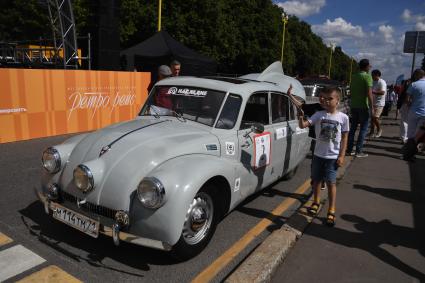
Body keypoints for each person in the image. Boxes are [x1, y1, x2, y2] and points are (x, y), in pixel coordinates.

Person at [298, 86, 349, 226]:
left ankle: (331, 209)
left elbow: (345, 138)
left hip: (332, 157)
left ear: (338, 100)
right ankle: (316, 202)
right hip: (318, 155)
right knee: (316, 180)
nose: (326, 101)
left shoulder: (343, 118)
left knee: (331, 183)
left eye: (330, 99)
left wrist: (342, 155)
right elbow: (303, 125)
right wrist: (300, 116)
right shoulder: (319, 114)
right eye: (324, 99)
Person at [346, 59, 374, 157]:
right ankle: (359, 151)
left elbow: (351, 92)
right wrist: (372, 107)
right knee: (363, 129)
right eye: (369, 66)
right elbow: (369, 94)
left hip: (354, 105)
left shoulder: (353, 76)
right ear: (366, 66)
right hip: (363, 106)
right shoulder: (367, 77)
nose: (370, 67)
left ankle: (349, 149)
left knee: (353, 128)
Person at [406, 69, 425, 140]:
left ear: (418, 75)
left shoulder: (413, 84)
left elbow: (407, 99)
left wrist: (410, 105)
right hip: (424, 113)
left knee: (411, 132)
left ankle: (410, 147)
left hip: (414, 111)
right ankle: (417, 146)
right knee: (420, 132)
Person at [369, 69, 387, 137]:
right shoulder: (373, 81)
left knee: (375, 118)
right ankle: (372, 132)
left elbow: (382, 92)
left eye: (372, 75)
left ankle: (379, 130)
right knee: (372, 118)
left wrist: (372, 92)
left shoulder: (382, 82)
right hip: (373, 102)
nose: (371, 76)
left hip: (380, 103)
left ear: (377, 75)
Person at [397, 79, 411, 143]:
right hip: (407, 105)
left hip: (404, 105)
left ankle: (402, 136)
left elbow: (400, 96)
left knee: (404, 122)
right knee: (406, 122)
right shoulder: (410, 87)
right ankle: (404, 137)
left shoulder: (404, 88)